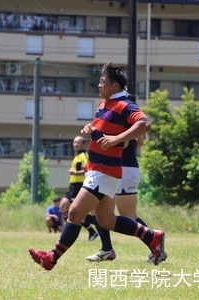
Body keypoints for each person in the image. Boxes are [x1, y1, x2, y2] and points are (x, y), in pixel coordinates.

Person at [28, 62, 165, 270]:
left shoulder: (125, 105)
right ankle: (152, 237)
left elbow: (144, 124)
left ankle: (51, 258)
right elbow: (105, 132)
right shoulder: (103, 104)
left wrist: (117, 137)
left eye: (103, 82)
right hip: (96, 169)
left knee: (74, 212)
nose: (99, 85)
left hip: (105, 172)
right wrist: (93, 130)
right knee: (107, 220)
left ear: (116, 85)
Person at [86, 136, 166, 262]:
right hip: (119, 167)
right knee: (96, 209)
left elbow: (123, 143)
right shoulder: (129, 118)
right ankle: (107, 249)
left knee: (128, 214)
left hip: (123, 168)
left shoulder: (119, 117)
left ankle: (156, 246)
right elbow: (139, 142)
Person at [59, 136, 98, 241]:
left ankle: (99, 224)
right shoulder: (76, 156)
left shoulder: (84, 155)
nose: (75, 144)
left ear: (83, 144)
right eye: (74, 142)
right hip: (72, 186)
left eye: (78, 142)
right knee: (63, 208)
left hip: (79, 185)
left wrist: (75, 172)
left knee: (76, 212)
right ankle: (91, 231)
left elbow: (88, 168)